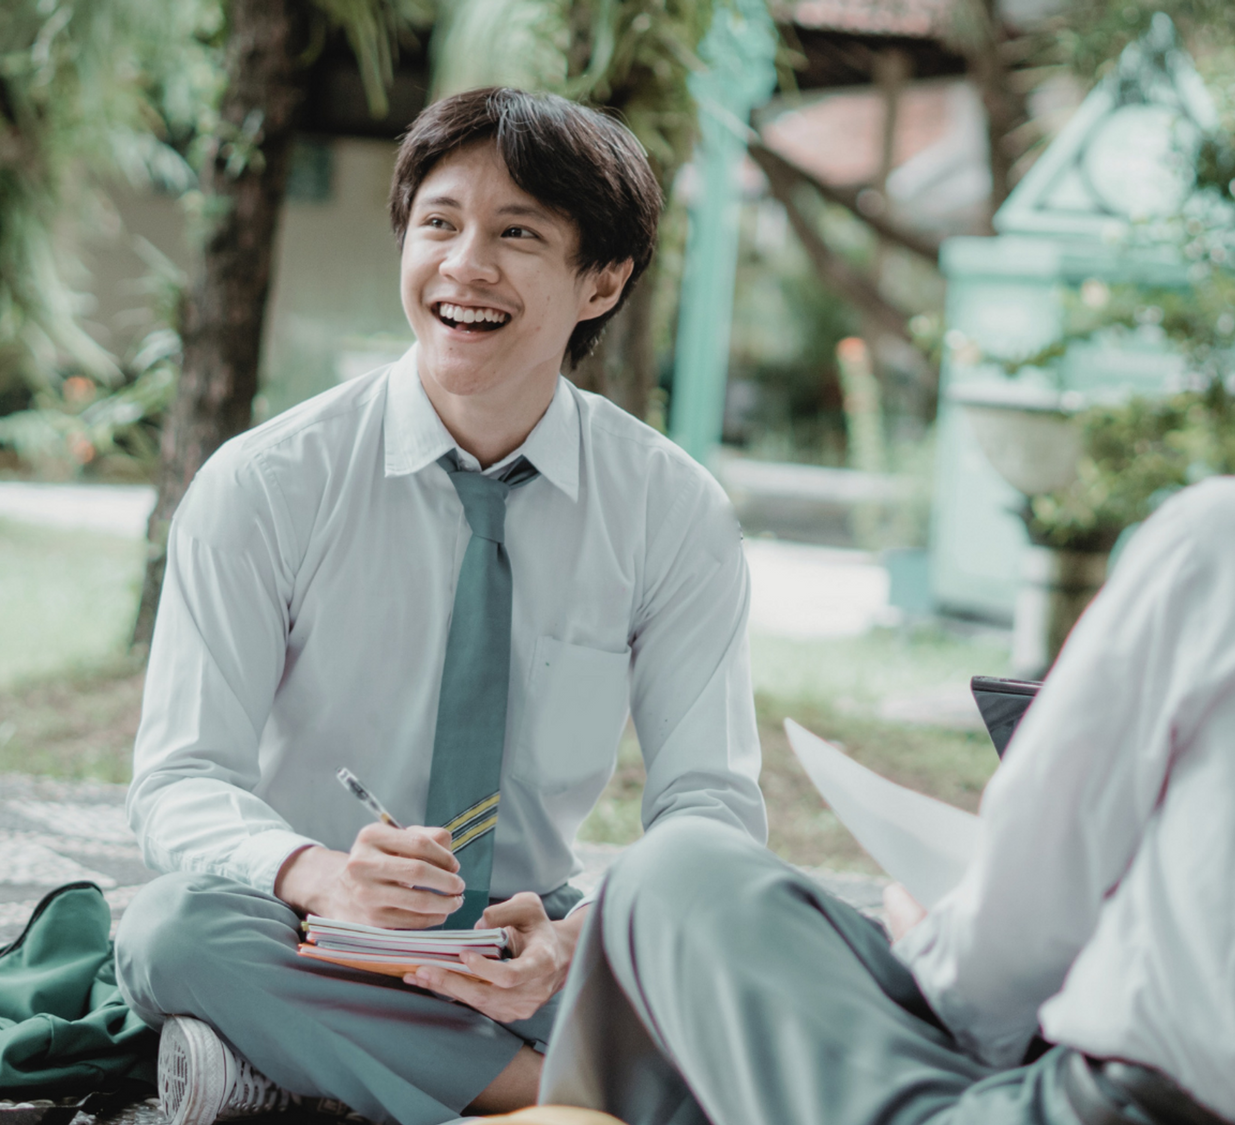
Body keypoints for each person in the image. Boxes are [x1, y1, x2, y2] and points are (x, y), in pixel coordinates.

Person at [113, 87, 768, 1125]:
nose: (465, 266)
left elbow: (713, 809)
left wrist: (582, 933)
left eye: (518, 234)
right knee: (174, 932)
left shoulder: (673, 513)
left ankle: (293, 1070)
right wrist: (323, 877)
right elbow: (182, 781)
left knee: (774, 965)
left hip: (531, 940)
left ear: (602, 279)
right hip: (311, 927)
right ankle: (544, 1104)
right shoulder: (266, 485)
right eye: (439, 224)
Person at [537, 476, 1235, 1125]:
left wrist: (926, 953)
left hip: (1108, 1101)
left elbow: (1005, 953)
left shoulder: (1213, 542)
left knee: (674, 873)